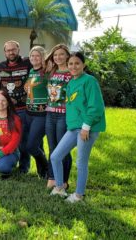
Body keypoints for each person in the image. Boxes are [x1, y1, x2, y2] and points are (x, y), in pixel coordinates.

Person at [50, 52, 106, 203]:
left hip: (87, 129)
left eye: (77, 63)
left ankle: (79, 195)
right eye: (70, 64)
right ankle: (60, 187)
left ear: (83, 65)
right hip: (73, 128)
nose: (73, 66)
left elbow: (96, 106)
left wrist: (86, 127)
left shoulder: (89, 81)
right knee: (55, 156)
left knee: (81, 161)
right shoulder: (71, 83)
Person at [0, 40, 32, 173]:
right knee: (8, 138)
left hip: (23, 110)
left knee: (23, 140)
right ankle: (9, 161)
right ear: (4, 52)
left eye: (13, 49)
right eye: (8, 50)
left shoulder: (27, 63)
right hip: (7, 111)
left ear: (18, 49)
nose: (11, 52)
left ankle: (24, 167)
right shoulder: (0, 67)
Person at [44, 44, 72, 189]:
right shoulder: (52, 71)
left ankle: (64, 181)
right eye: (55, 55)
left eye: (61, 54)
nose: (58, 57)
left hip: (64, 115)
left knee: (63, 148)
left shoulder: (72, 73)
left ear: (67, 55)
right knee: (52, 147)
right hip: (50, 113)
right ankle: (52, 177)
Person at [23, 46, 49, 179]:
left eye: (37, 56)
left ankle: (48, 168)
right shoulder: (32, 71)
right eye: (32, 56)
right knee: (38, 144)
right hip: (29, 113)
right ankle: (42, 174)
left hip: (41, 114)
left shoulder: (47, 72)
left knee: (31, 146)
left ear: (43, 57)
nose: (34, 58)